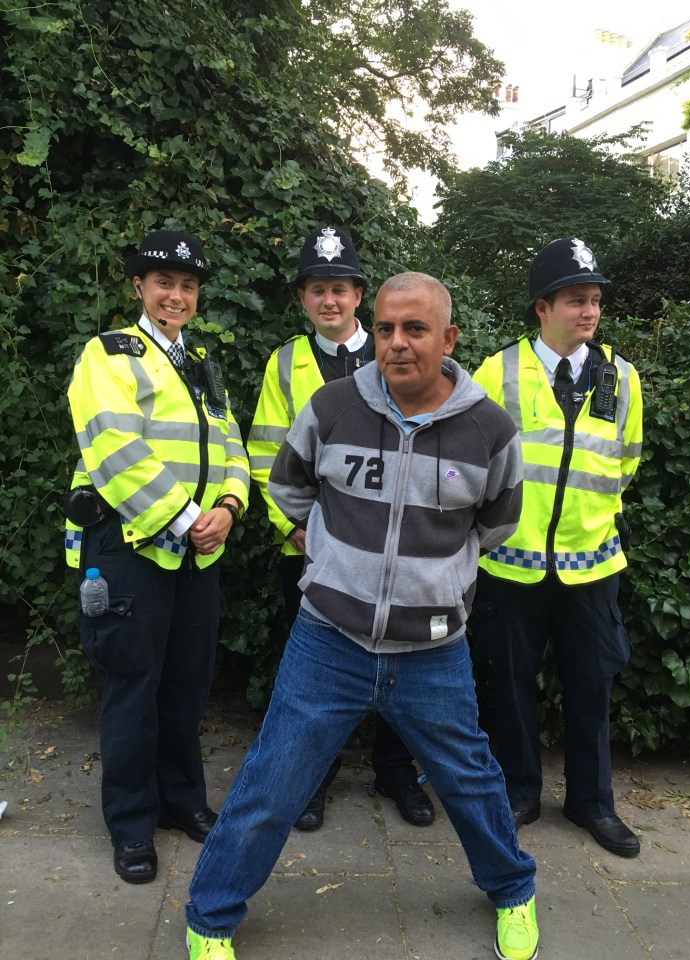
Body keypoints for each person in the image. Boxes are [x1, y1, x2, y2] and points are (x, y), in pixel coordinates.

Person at [184, 272, 539, 960]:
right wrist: (317, 546)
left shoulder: (490, 429)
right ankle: (210, 917)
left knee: (471, 781)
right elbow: (288, 485)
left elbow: (497, 523)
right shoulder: (332, 405)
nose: (397, 344)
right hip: (329, 640)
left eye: (414, 329)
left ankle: (514, 892)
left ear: (449, 337)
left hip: (433, 648)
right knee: (271, 781)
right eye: (384, 329)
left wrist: (436, 576)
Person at [65, 230, 250, 884]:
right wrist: (187, 516)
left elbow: (232, 445)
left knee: (185, 686)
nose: (177, 295)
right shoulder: (108, 355)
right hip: (132, 547)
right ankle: (132, 824)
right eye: (164, 283)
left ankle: (181, 802)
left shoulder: (200, 360)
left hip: (199, 552)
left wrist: (228, 507)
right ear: (139, 287)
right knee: (133, 687)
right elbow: (115, 450)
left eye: (189, 286)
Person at [247, 226, 434, 830]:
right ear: (304, 299)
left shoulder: (393, 351)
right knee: (315, 674)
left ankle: (396, 771)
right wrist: (296, 529)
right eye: (317, 290)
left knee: (403, 660)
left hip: (395, 545)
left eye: (341, 289)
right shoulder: (285, 365)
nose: (330, 300)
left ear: (360, 295)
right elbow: (264, 457)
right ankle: (313, 779)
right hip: (310, 549)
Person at [472, 237, 643, 858]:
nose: (589, 312)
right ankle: (519, 791)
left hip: (591, 564)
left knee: (592, 684)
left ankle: (592, 802)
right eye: (576, 300)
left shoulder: (621, 377)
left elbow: (624, 463)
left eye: (595, 300)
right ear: (542, 307)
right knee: (512, 684)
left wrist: (590, 522)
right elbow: (475, 463)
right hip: (512, 563)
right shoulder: (498, 371)